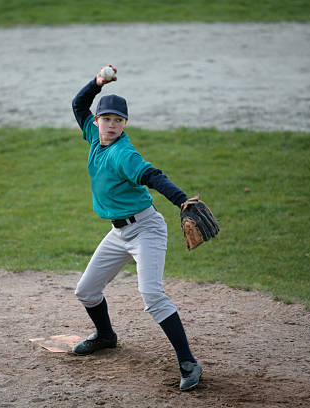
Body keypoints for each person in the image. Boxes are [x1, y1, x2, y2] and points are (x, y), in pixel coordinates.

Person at [70, 65, 203, 391]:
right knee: (85, 291)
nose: (112, 125)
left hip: (146, 229)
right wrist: (98, 82)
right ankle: (105, 336)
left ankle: (188, 362)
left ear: (125, 123)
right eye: (107, 119)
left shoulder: (122, 153)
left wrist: (182, 200)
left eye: (118, 120)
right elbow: (78, 105)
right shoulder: (93, 136)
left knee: (151, 294)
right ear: (97, 120)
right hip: (119, 233)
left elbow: (152, 175)